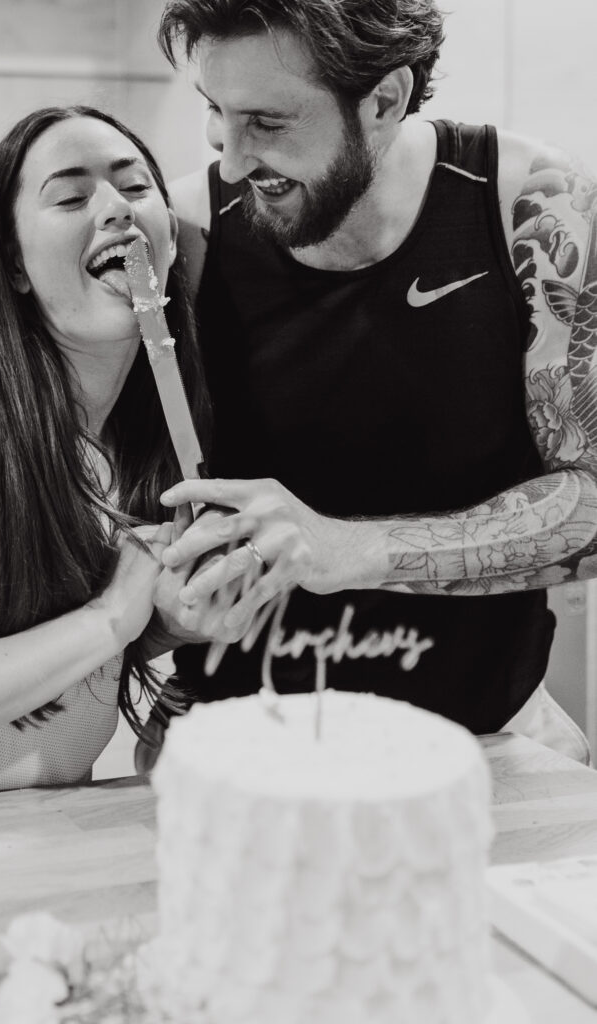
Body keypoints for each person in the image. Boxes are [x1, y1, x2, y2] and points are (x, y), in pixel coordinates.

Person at [150, 0, 597, 761]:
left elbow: (591, 492)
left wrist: (350, 550)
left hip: (485, 743)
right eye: (215, 114)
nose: (231, 159)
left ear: (385, 100)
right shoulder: (190, 231)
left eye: (268, 121)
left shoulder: (533, 207)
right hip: (235, 748)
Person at [0, 104, 215, 794]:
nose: (116, 209)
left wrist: (167, 623)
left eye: (136, 188)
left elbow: (58, 683)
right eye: (72, 196)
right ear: (15, 265)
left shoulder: (144, 436)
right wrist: (113, 615)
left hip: (55, 846)